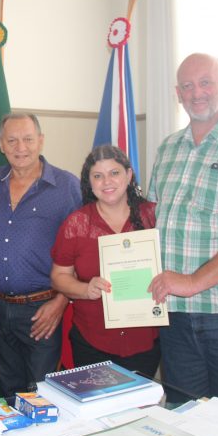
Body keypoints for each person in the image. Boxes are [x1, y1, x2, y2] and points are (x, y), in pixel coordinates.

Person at [147, 53, 218, 407]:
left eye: (206, 82)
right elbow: (152, 217)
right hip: (173, 316)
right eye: (187, 86)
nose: (196, 93)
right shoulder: (168, 148)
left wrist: (192, 282)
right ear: (178, 94)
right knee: (182, 419)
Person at [0, 112, 81, 404]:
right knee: (10, 397)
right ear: (1, 144)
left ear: (41, 140)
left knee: (43, 399)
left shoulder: (66, 186)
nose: (20, 147)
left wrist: (61, 302)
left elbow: (83, 250)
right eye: (12, 140)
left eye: (27, 139)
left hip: (42, 311)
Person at [50, 145, 161, 376]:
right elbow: (59, 277)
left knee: (139, 400)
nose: (107, 182)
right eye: (98, 176)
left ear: (129, 175)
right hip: (92, 340)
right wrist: (85, 289)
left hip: (145, 339)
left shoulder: (154, 216)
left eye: (114, 173)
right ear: (89, 182)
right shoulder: (76, 223)